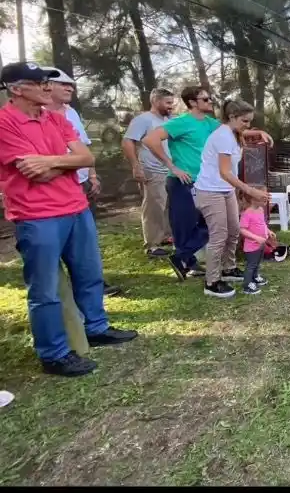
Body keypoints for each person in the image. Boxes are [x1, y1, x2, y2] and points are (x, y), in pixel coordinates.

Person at [0, 62, 137, 377]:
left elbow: (86, 158)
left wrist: (52, 161)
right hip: (37, 216)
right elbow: (35, 174)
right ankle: (54, 353)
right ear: (16, 89)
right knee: (45, 289)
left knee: (89, 273)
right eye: (40, 83)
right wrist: (66, 163)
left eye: (48, 82)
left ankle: (96, 327)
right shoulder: (5, 123)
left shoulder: (55, 118)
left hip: (76, 207)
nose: (48, 88)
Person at [143, 86, 272, 281]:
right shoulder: (181, 123)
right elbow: (150, 140)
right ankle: (187, 262)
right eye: (205, 99)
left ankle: (188, 260)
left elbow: (235, 129)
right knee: (188, 226)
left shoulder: (211, 124)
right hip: (185, 181)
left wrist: (258, 132)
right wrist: (173, 166)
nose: (211, 102)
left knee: (213, 226)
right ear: (192, 102)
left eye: (211, 98)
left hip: (213, 182)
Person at [44, 67, 121, 297]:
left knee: (86, 241)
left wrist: (93, 176)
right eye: (63, 84)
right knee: (56, 241)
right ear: (46, 86)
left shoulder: (72, 113)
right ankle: (61, 287)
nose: (70, 88)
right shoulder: (38, 116)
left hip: (82, 183)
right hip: (54, 188)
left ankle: (93, 282)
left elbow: (85, 148)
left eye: (71, 84)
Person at [193, 99, 269, 299]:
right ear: (232, 117)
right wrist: (250, 191)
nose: (248, 125)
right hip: (210, 191)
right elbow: (225, 172)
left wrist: (259, 132)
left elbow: (245, 132)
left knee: (234, 230)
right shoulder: (223, 137)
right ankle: (212, 281)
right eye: (245, 121)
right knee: (219, 235)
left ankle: (229, 268)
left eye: (250, 121)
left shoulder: (234, 133)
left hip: (225, 190)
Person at [122, 87, 176, 258]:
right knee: (154, 206)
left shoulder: (172, 120)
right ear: (155, 101)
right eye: (167, 103)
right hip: (152, 169)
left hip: (172, 170)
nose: (171, 106)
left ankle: (166, 236)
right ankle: (152, 245)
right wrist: (135, 166)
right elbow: (128, 142)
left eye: (172, 103)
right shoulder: (143, 120)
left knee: (169, 205)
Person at [238, 190, 277, 295]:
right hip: (251, 246)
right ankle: (247, 285)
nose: (266, 199)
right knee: (251, 265)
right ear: (253, 199)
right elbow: (242, 230)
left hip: (261, 244)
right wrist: (256, 238)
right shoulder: (247, 213)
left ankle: (255, 277)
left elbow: (262, 223)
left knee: (257, 263)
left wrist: (268, 231)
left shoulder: (260, 210)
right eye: (262, 197)